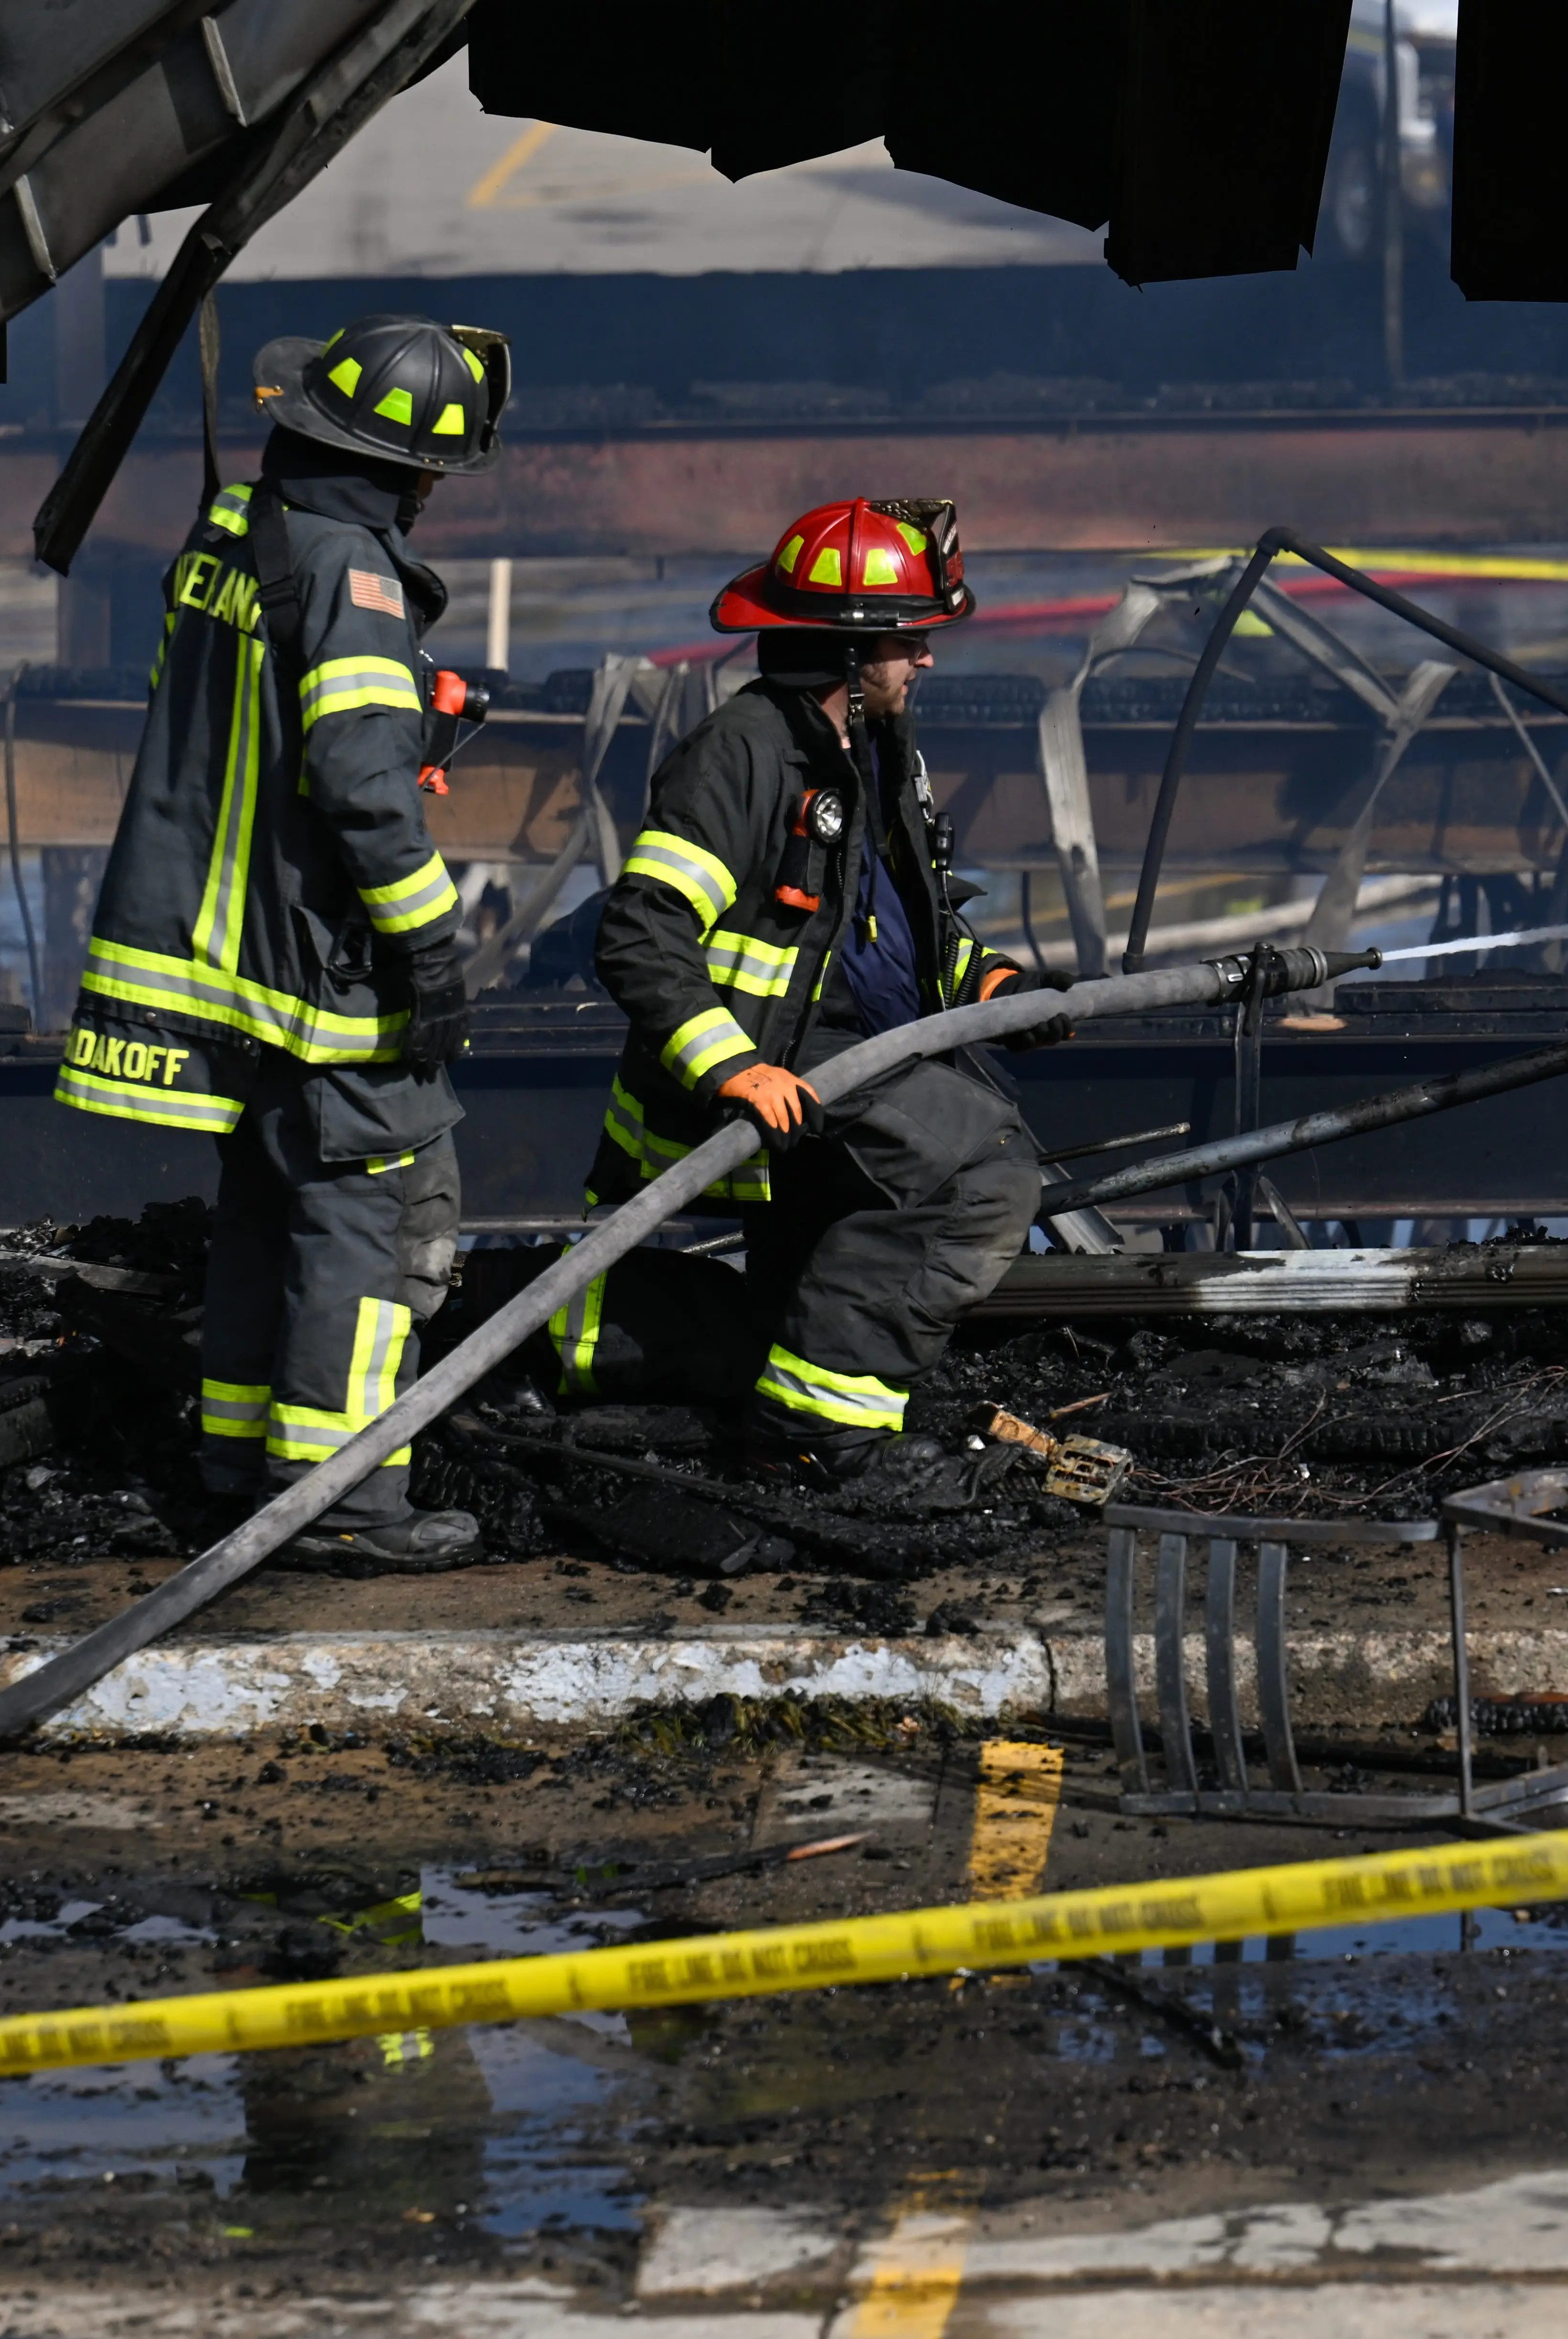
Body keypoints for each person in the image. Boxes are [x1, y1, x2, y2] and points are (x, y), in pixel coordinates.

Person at [53, 311, 511, 1572]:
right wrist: (429, 950)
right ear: (406, 467)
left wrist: (402, 707)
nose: (432, 496)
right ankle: (348, 1501)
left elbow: (258, 730)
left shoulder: (235, 535)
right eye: (433, 472)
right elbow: (361, 783)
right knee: (370, 1212)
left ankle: (237, 1467)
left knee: (264, 1204)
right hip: (322, 964)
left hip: (230, 947)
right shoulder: (352, 573)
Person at [549, 496, 1071, 1485]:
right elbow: (641, 932)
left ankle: (769, 1400)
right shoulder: (742, 757)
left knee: (810, 1286)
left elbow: (890, 926)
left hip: (839, 1055)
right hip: (777, 1068)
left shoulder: (875, 749)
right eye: (909, 641)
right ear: (846, 650)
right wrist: (732, 1068)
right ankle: (819, 1441)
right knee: (982, 1172)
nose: (925, 661)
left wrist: (990, 981)